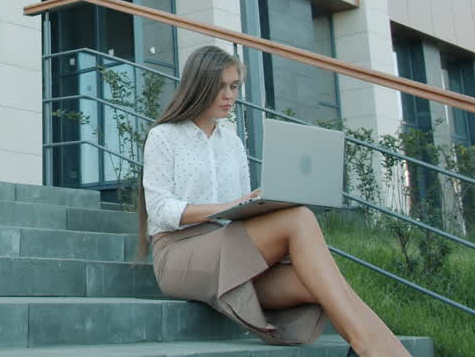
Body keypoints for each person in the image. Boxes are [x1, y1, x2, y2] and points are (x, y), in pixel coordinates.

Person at [139, 45, 410, 357]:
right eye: (220, 87)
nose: (229, 95)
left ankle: (385, 351)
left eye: (234, 86)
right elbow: (159, 210)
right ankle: (369, 347)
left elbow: (238, 217)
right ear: (199, 86)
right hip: (179, 253)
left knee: (320, 284)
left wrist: (257, 205)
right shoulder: (165, 136)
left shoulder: (233, 144)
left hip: (228, 247)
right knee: (299, 218)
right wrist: (226, 208)